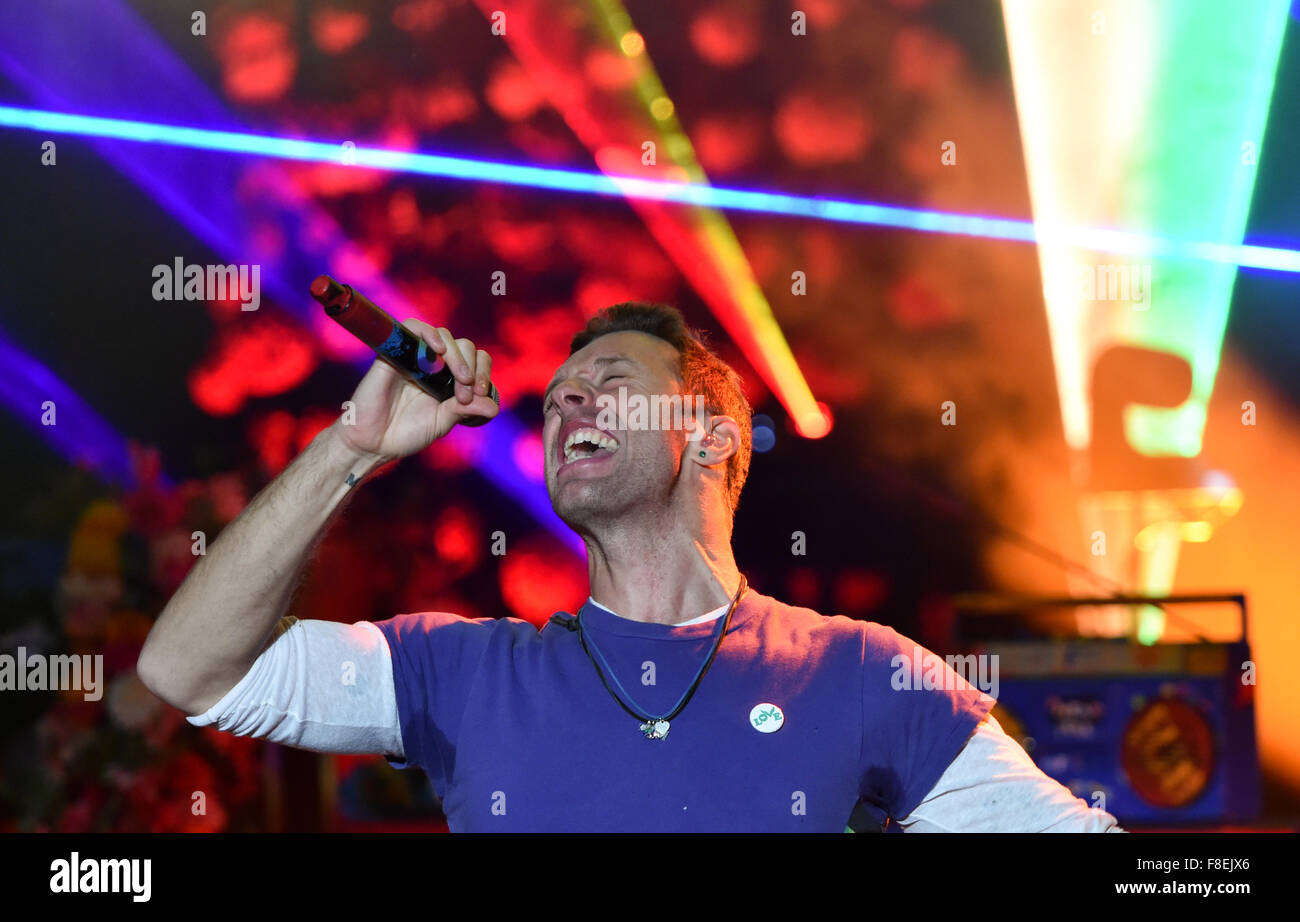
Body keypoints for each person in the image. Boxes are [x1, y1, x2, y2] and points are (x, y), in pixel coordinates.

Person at [138, 303, 1122, 832]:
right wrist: (351, 445)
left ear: (707, 436)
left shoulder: (863, 672)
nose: (569, 405)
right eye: (560, 396)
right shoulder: (462, 673)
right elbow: (188, 670)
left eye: (610, 384)